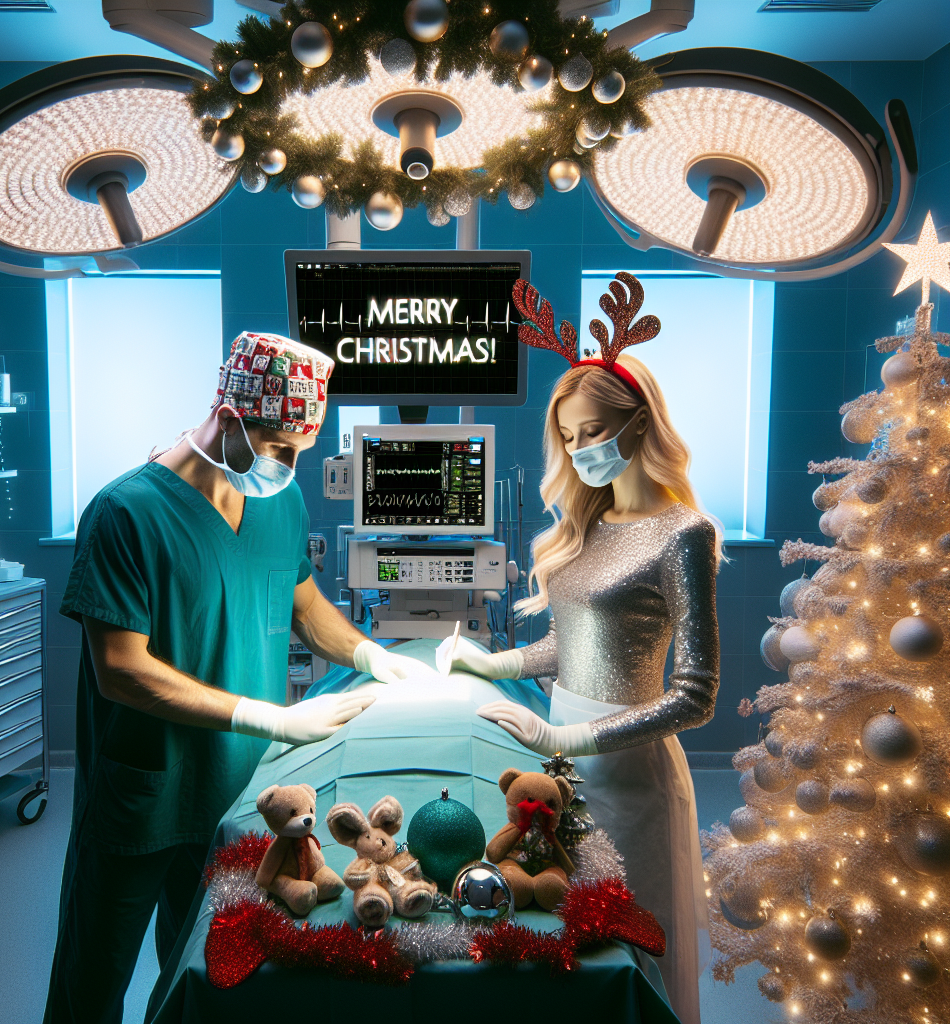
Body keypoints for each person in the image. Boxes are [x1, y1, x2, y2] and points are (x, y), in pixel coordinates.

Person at [44, 333, 428, 1024]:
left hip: (240, 794)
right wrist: (268, 716)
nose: (287, 467)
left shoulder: (278, 502)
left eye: (298, 453)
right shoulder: (125, 512)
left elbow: (306, 607)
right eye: (279, 448)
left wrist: (370, 654)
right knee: (92, 983)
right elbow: (121, 671)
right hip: (145, 791)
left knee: (209, 974)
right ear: (227, 416)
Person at [440, 276, 721, 1024]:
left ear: (638, 424)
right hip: (566, 773)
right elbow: (571, 646)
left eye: (592, 431)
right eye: (568, 436)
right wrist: (491, 662)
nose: (580, 449)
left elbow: (696, 696)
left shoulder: (683, 533)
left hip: (631, 775)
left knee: (634, 950)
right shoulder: (590, 527)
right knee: (569, 943)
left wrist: (571, 734)